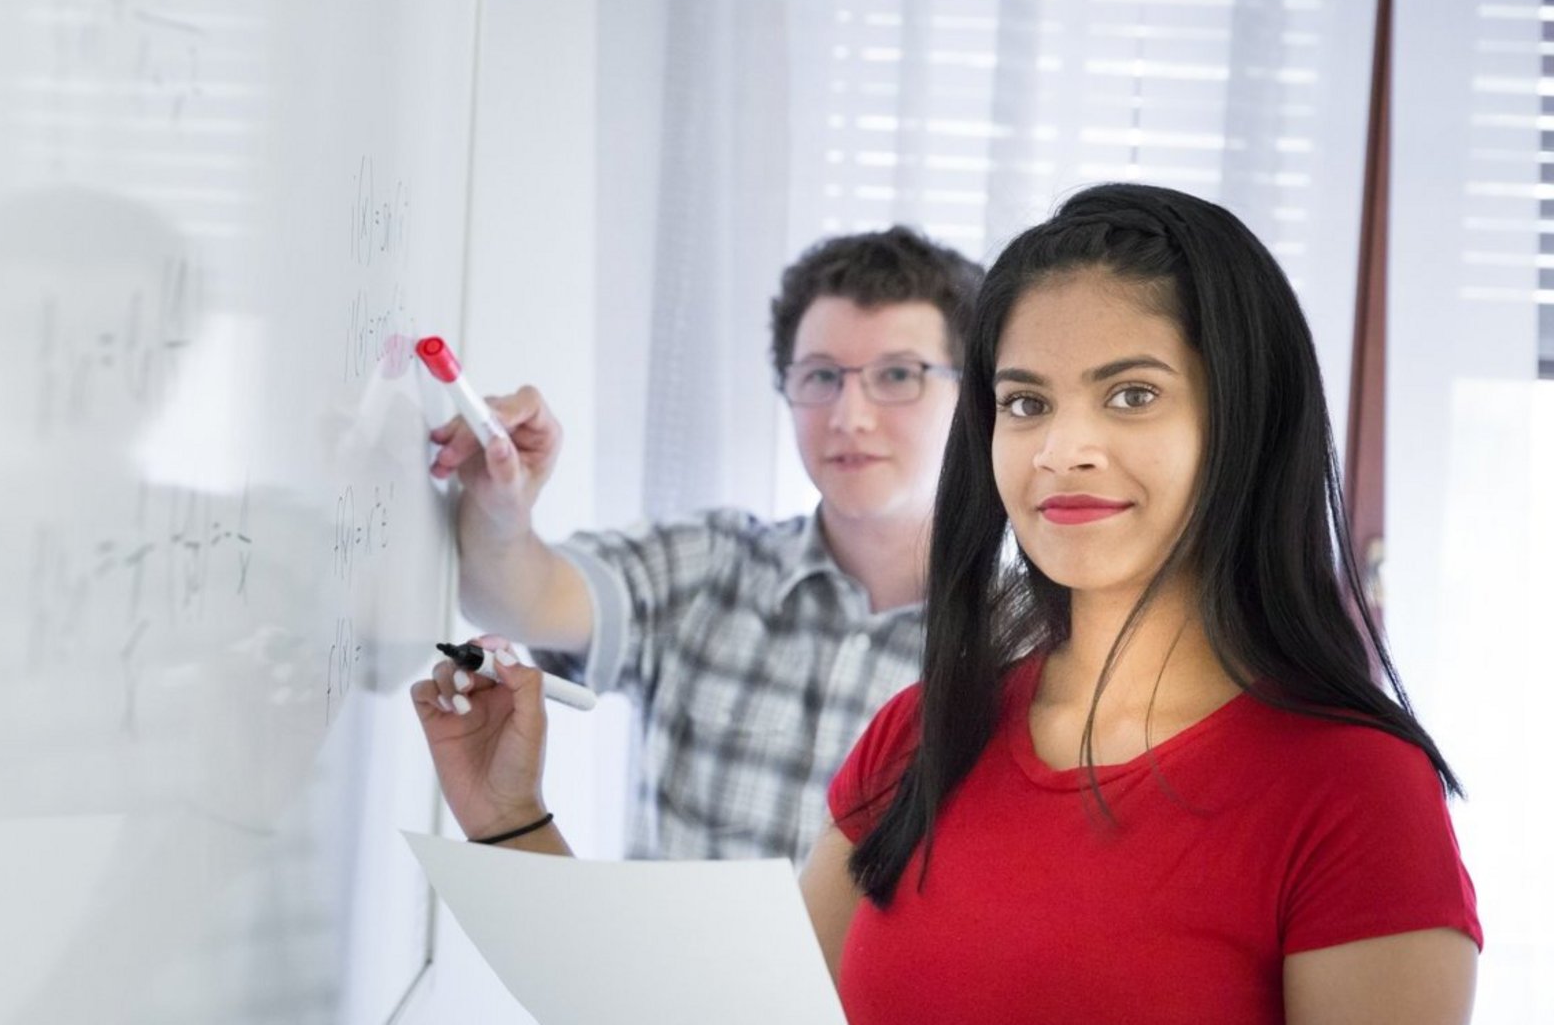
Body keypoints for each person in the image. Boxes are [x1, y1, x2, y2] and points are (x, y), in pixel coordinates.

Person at [412, 184, 1481, 1023]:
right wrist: (510, 820)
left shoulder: (1353, 794)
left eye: (1133, 393)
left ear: (1246, 422)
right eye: (1027, 402)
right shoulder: (922, 734)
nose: (1063, 448)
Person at [425, 226, 983, 862]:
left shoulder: (1026, 644)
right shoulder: (707, 565)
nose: (849, 415)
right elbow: (515, 598)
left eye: (898, 375)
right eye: (821, 376)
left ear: (973, 398)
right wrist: (501, 506)